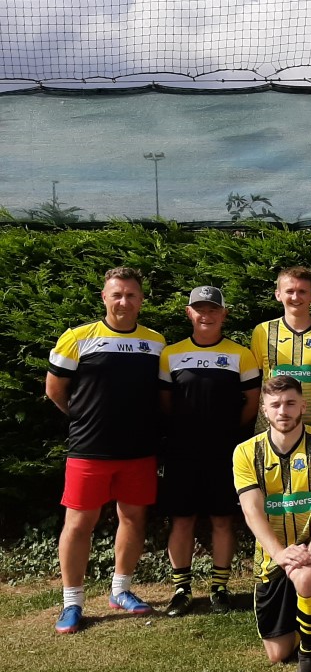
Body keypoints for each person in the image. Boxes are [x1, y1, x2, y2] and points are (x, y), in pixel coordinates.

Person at [46, 266, 165, 633]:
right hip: (89, 449)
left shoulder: (155, 342)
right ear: (104, 297)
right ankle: (72, 602)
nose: (123, 301)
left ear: (141, 300)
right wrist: (83, 417)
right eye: (117, 294)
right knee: (78, 523)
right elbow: (54, 389)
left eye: (131, 295)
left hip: (138, 450)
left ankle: (121, 590)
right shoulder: (78, 338)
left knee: (133, 519)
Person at [233, 376, 311, 672]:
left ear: (303, 406)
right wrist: (280, 553)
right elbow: (251, 510)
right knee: (277, 654)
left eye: (290, 403)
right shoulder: (245, 452)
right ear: (264, 410)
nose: (283, 411)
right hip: (273, 552)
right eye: (276, 405)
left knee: (306, 577)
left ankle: (310, 657)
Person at [159, 285, 260, 617]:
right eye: (200, 309)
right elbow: (166, 403)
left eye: (213, 309)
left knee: (222, 519)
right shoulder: (170, 354)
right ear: (189, 313)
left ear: (223, 314)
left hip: (224, 453)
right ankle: (181, 590)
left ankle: (219, 588)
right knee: (182, 520)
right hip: (181, 452)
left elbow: (252, 403)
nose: (206, 315)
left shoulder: (241, 354)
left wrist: (228, 433)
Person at [250, 266, 311, 431]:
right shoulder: (263, 331)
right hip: (269, 430)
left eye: (302, 291)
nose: (295, 297)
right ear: (278, 295)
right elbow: (254, 385)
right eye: (289, 291)